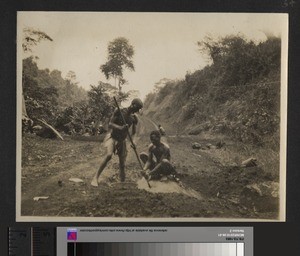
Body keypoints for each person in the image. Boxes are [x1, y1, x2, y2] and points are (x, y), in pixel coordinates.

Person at [91, 98, 143, 187]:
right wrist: (120, 128)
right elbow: (110, 124)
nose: (137, 111)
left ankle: (122, 183)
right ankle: (95, 178)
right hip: (113, 137)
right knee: (109, 155)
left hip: (122, 141)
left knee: (122, 164)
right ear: (133, 104)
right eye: (137, 108)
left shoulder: (134, 118)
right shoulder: (119, 111)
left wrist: (133, 142)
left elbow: (134, 133)